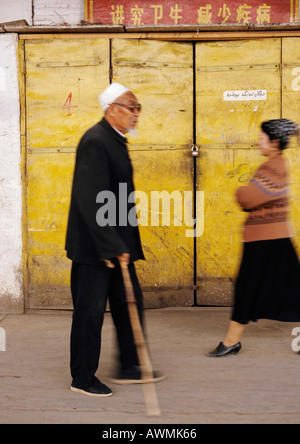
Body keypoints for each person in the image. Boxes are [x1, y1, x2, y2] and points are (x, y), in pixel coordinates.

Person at [65, 82, 162, 396]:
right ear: (112, 110)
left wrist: (126, 245)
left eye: (138, 107)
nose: (136, 114)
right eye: (131, 107)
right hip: (95, 248)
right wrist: (112, 245)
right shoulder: (95, 140)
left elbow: (118, 196)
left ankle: (131, 366)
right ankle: (82, 378)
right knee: (89, 313)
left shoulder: (115, 139)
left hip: (116, 244)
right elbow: (89, 198)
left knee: (127, 302)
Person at [208, 119, 300, 357]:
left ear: (274, 142)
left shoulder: (273, 167)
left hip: (267, 241)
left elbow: (247, 198)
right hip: (269, 238)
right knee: (285, 289)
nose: (257, 141)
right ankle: (231, 341)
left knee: (249, 289)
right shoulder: (273, 165)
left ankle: (231, 342)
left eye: (262, 137)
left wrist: (240, 191)